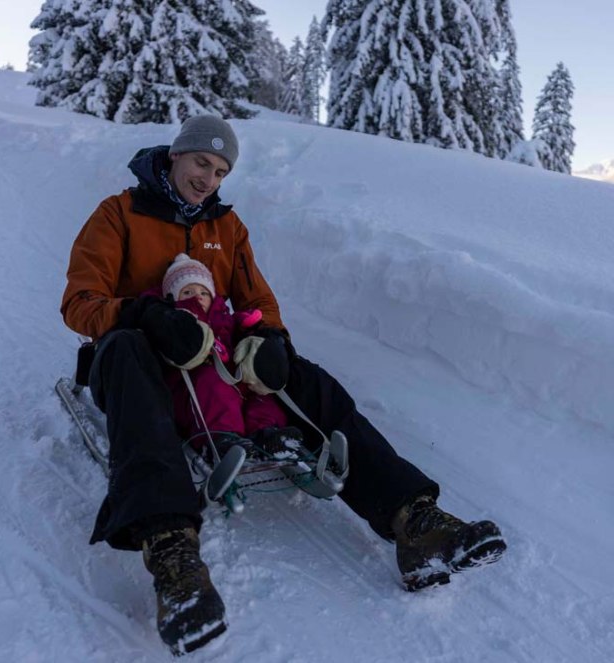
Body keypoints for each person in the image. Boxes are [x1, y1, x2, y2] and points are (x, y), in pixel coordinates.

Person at [60, 115, 507, 655]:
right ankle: (174, 558)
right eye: (202, 162)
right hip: (133, 358)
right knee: (129, 354)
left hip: (208, 356)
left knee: (298, 373)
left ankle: (413, 519)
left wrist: (267, 339)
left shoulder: (227, 228)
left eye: (221, 170)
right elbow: (79, 304)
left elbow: (259, 302)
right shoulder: (119, 213)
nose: (209, 178)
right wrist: (143, 317)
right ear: (176, 155)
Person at [155, 252, 303, 457]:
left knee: (260, 393)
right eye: (187, 292)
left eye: (203, 292)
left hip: (233, 378)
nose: (197, 296)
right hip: (195, 386)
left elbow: (237, 326)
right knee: (214, 386)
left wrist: (248, 326)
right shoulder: (179, 318)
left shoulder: (223, 316)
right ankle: (222, 438)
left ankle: (267, 433)